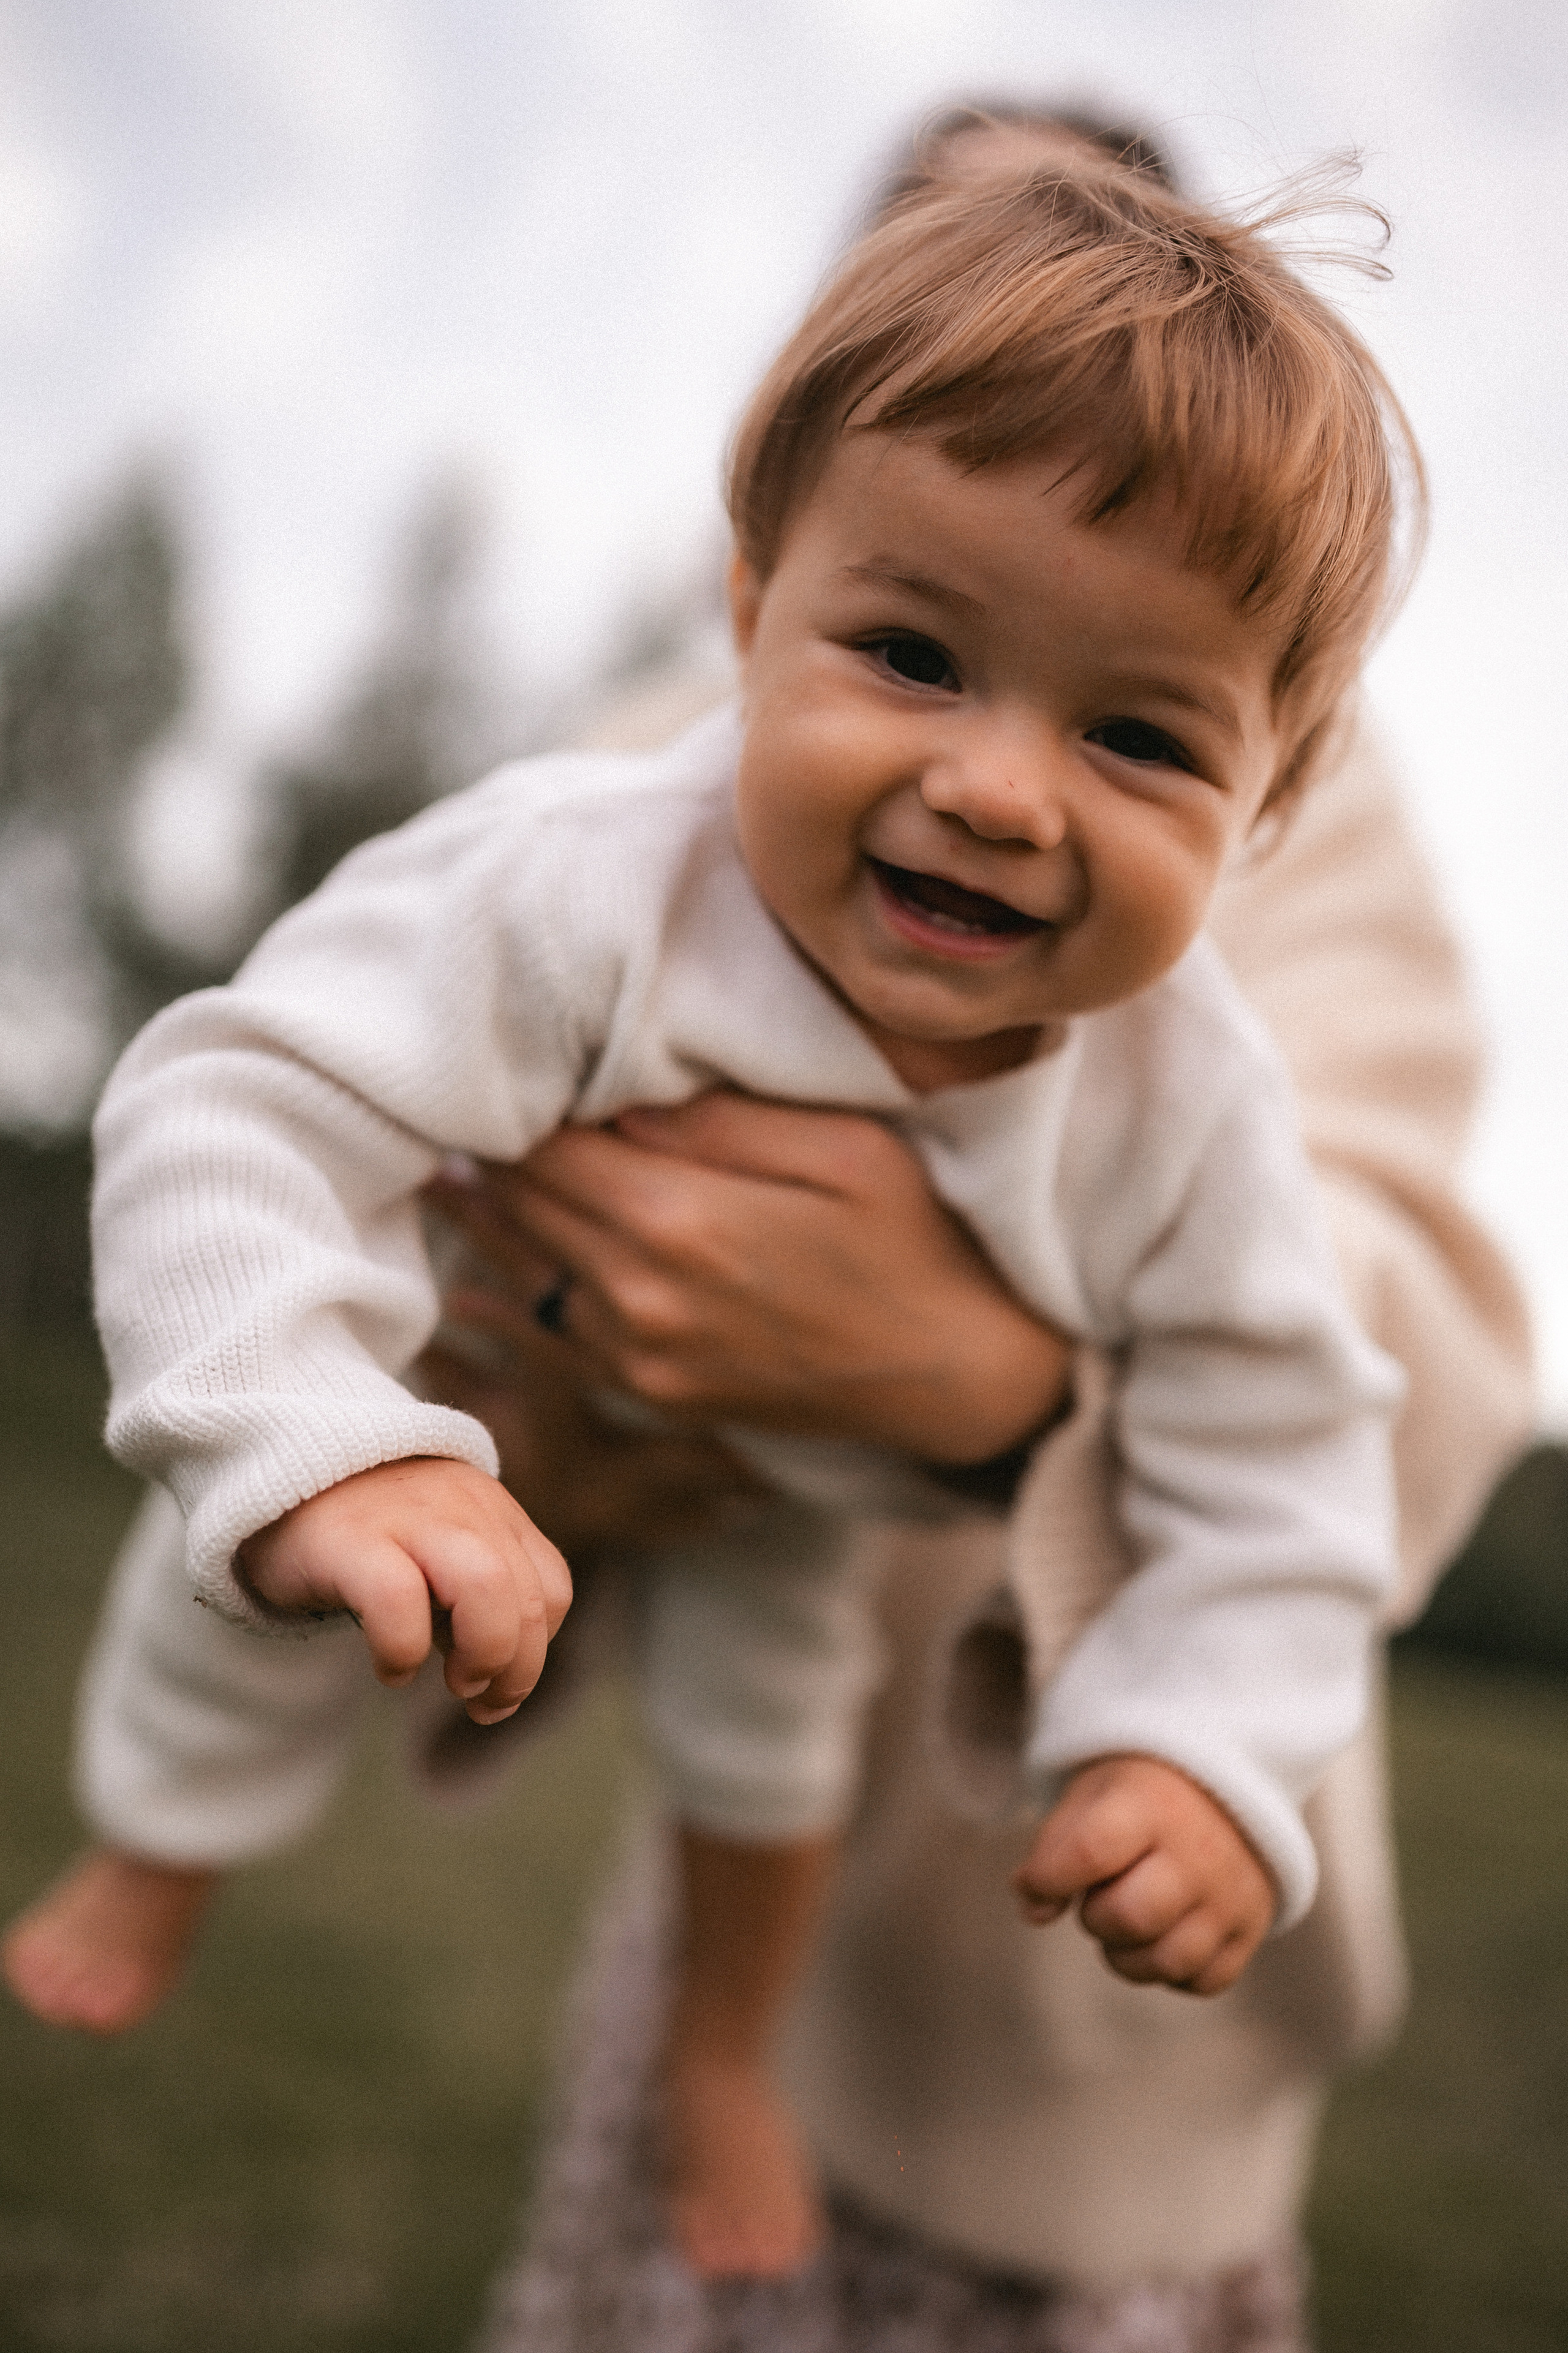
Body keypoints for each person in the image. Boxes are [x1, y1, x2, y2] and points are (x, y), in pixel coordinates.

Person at [3, 111, 1532, 2352]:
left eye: (1133, 737)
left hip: (885, 1679)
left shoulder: (1198, 1081)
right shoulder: (596, 862)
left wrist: (1198, 1735)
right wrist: (342, 1429)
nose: (1005, 788)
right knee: (240, 1566)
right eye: (918, 656)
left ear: (1274, 797)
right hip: (538, 1430)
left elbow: (1297, 1443)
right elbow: (245, 1094)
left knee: (768, 1738)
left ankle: (729, 2047)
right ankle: (158, 1847)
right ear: (756, 593)